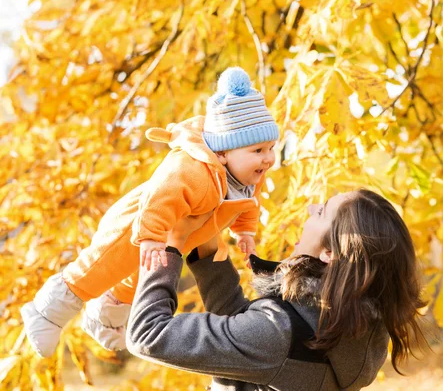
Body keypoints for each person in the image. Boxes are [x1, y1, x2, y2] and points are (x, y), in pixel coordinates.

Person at [20, 67, 280, 358]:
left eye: (271, 147)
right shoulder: (193, 170)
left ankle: (103, 316)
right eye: (258, 150)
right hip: (140, 224)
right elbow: (161, 196)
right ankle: (45, 311)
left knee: (132, 285)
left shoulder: (248, 175)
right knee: (101, 267)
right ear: (223, 153)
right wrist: (152, 236)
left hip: (174, 235)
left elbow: (249, 202)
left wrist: (244, 231)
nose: (268, 158)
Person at [126, 189, 428, 390]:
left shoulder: (279, 333)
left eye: (321, 212)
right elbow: (245, 340)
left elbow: (147, 334)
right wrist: (208, 249)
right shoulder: (360, 326)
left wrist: (169, 247)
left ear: (330, 253)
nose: (311, 207)